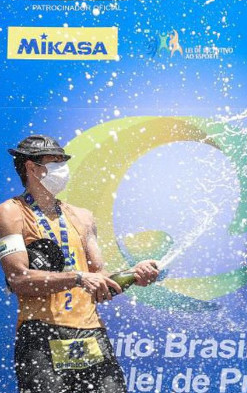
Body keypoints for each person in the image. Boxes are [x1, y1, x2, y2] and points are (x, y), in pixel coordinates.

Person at [0, 135, 160, 393]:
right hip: (41, 335)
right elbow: (18, 279)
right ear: (31, 167)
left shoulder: (83, 217)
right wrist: (77, 277)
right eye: (55, 161)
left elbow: (99, 278)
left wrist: (134, 274)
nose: (63, 168)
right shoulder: (11, 212)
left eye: (63, 161)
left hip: (90, 333)